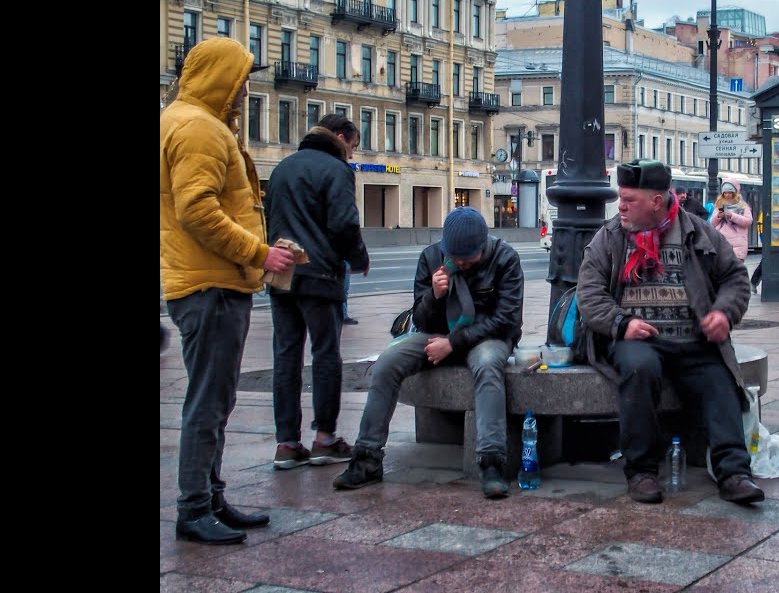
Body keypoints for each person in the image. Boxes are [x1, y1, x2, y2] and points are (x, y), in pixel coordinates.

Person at [161, 37, 297, 544]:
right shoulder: (198, 128)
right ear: (220, 76)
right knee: (209, 402)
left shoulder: (192, 120)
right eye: (241, 78)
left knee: (214, 399)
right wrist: (260, 254)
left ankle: (212, 498)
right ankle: (195, 507)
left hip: (208, 283)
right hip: (210, 285)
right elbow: (196, 210)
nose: (245, 88)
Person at [576, 159, 764, 506]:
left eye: (630, 199)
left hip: (692, 339)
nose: (622, 206)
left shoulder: (698, 232)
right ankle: (641, 471)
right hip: (635, 339)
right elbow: (588, 294)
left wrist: (723, 313)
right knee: (640, 369)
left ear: (657, 202)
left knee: (718, 375)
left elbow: (735, 279)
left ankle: (734, 472)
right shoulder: (610, 236)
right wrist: (622, 323)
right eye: (621, 197)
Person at [333, 207, 524, 499]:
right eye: (454, 256)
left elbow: (507, 321)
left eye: (467, 258)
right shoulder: (432, 257)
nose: (458, 263)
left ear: (482, 247)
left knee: (487, 364)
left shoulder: (505, 258)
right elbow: (422, 322)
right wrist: (434, 297)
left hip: (488, 336)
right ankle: (367, 457)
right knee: (387, 363)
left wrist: (453, 344)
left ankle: (492, 462)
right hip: (439, 333)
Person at [265, 113, 370, 471]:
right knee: (326, 354)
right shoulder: (336, 170)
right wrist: (358, 258)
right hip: (321, 275)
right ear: (340, 137)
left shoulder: (283, 168)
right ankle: (325, 439)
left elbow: (268, 218)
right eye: (353, 147)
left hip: (282, 273)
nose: (352, 155)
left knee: (286, 356)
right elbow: (344, 223)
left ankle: (287, 443)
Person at [711, 179, 753, 264]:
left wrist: (732, 216)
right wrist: (718, 216)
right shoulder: (720, 205)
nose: (727, 195)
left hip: (738, 246)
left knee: (735, 272)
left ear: (735, 193)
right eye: (725, 193)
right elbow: (712, 223)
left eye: (730, 193)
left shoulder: (743, 206)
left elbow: (748, 221)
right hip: (722, 244)